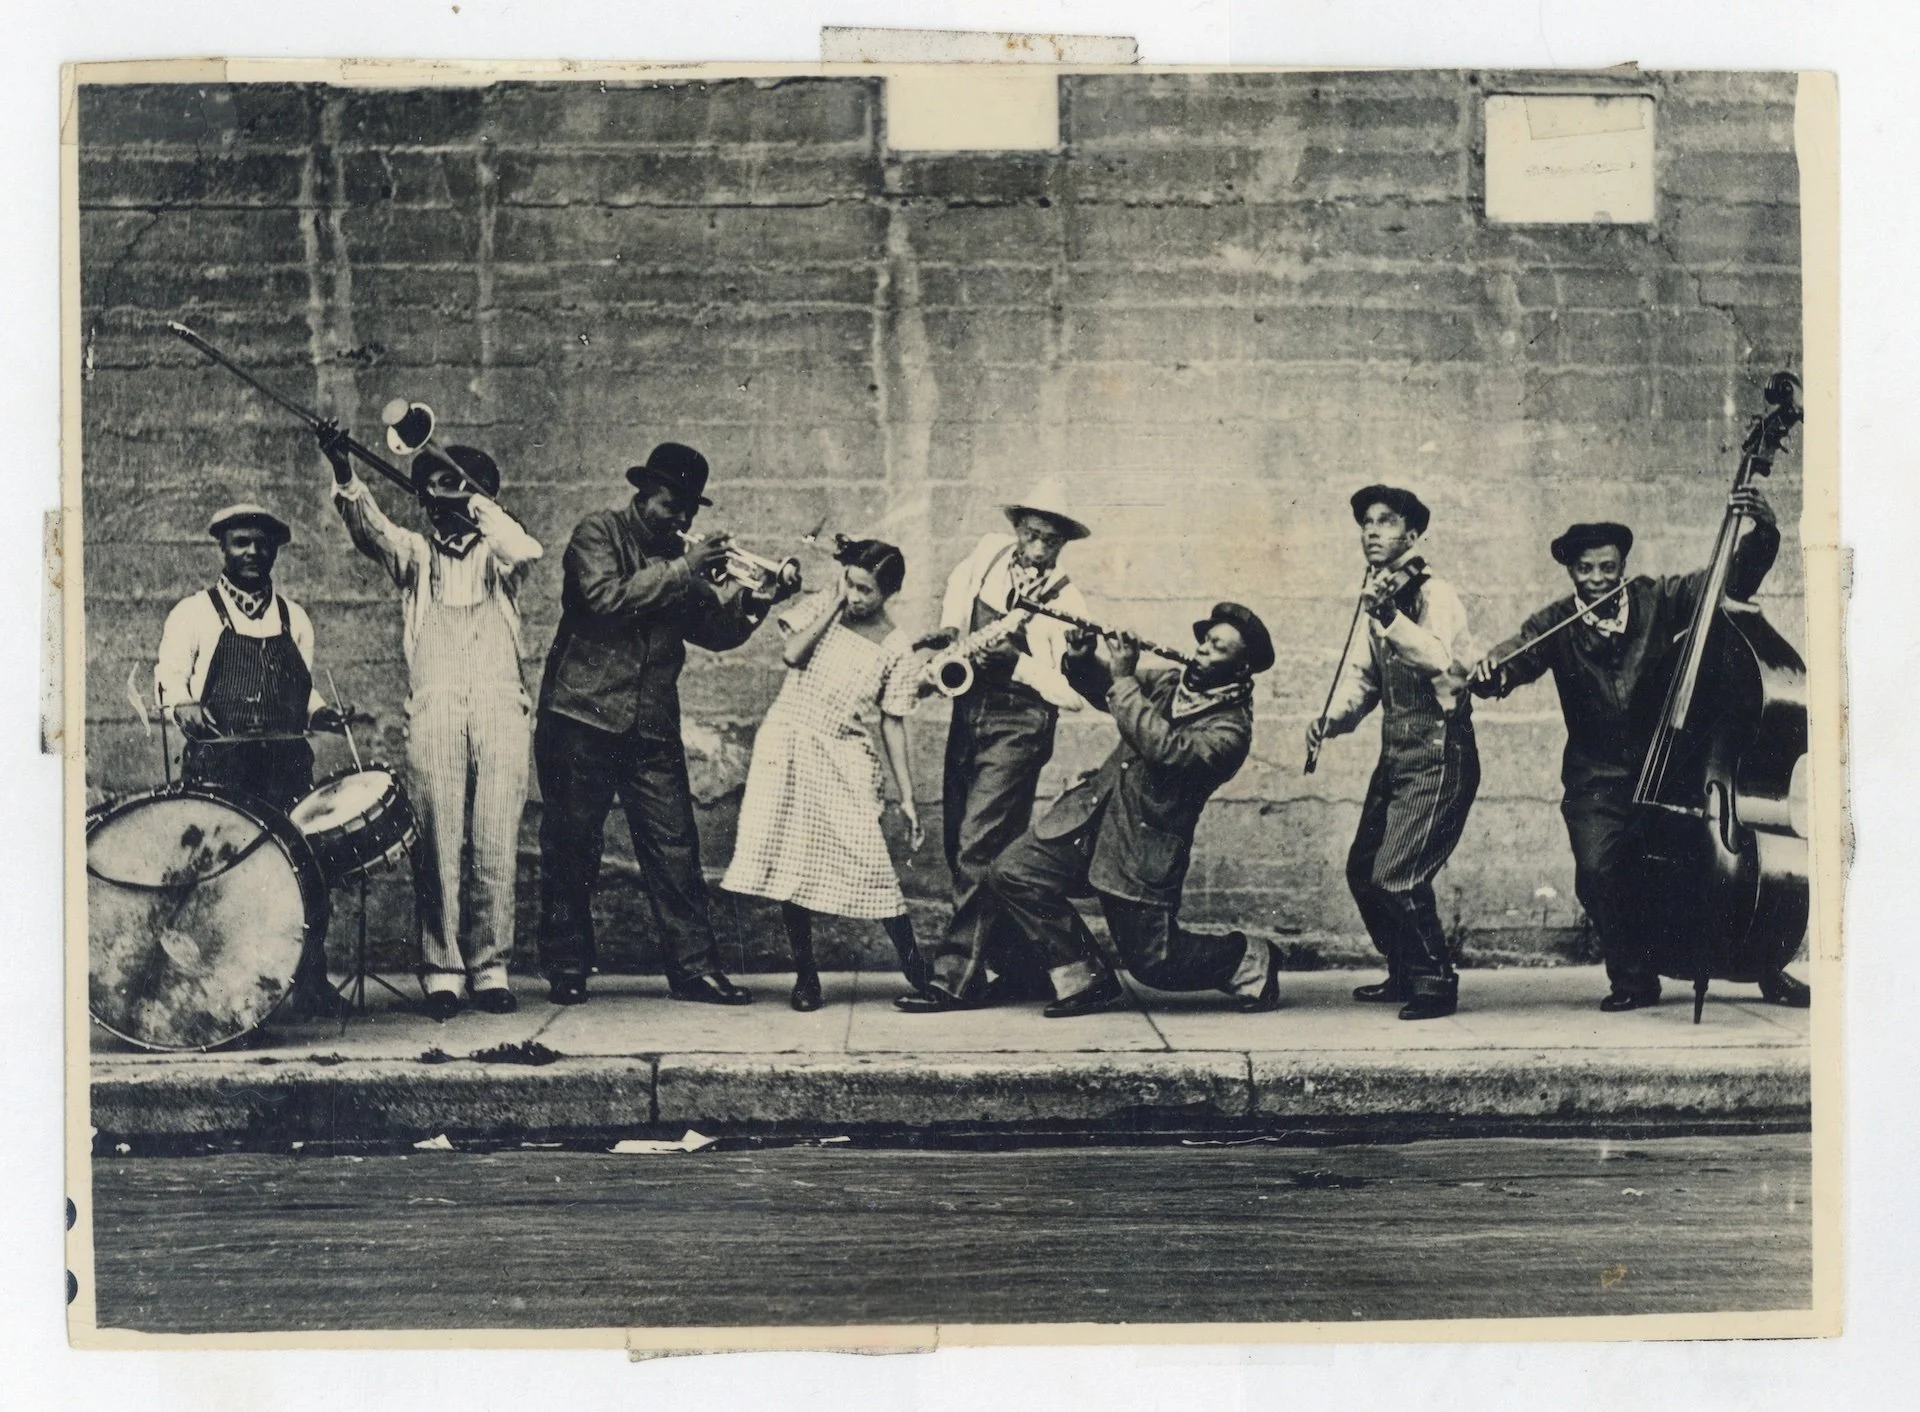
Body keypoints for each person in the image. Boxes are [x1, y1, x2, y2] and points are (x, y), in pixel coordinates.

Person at [1468, 488, 1810, 1012]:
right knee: (1598, 871)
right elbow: (1516, 658)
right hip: (1597, 779)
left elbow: (1723, 581)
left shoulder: (1658, 598)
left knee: (1721, 865)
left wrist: (1762, 537)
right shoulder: (1554, 624)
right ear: (1571, 572)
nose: (1599, 579)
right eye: (1587, 570)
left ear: (1623, 566)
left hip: (1673, 769)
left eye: (1608, 567)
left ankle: (1764, 961)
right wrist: (1492, 673)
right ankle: (1634, 976)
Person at [534, 443, 789, 1007]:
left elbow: (716, 632)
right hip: (582, 716)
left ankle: (694, 971)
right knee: (573, 845)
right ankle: (567, 966)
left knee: (676, 848)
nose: (683, 521)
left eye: (690, 512)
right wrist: (684, 569)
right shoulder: (597, 534)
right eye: (672, 506)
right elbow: (604, 599)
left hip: (649, 726)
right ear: (644, 493)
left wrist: (758, 599)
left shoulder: (680, 558)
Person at [320, 422, 544, 1021]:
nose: (448, 495)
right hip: (437, 705)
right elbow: (369, 530)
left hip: (500, 704)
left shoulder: (503, 560)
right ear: (422, 498)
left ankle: (491, 967)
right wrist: (345, 470)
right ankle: (443, 970)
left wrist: (472, 499)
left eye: (462, 484)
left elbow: (524, 549)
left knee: (496, 839)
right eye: (437, 485)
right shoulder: (415, 556)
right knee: (439, 839)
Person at [987, 603, 1284, 1017]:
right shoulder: (1169, 682)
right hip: (1091, 819)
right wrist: (1083, 657)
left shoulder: (1230, 731)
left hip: (1141, 847)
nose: (1201, 651)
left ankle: (1251, 959)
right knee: (1014, 873)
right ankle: (1086, 982)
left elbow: (1164, 749)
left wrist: (1124, 677)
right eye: (1204, 641)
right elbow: (1105, 689)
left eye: (1218, 649)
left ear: (1240, 669)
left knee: (1155, 965)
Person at [901, 480, 1092, 1013]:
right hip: (969, 713)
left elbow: (1071, 695)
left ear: (1062, 545)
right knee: (970, 847)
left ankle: (955, 978)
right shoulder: (987, 555)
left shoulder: (1066, 600)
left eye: (1049, 542)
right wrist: (950, 635)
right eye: (1030, 535)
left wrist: (1019, 664)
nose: (1036, 550)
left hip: (1021, 724)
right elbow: (959, 591)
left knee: (978, 847)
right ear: (1016, 529)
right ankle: (1026, 971)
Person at [154, 501, 349, 1018]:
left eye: (262, 544)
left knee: (301, 869)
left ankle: (308, 980)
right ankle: (223, 989)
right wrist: (181, 705)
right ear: (222, 547)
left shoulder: (295, 618)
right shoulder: (192, 613)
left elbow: (301, 691)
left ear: (276, 550)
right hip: (221, 768)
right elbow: (170, 679)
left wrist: (325, 714)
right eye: (241, 542)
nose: (252, 552)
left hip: (285, 766)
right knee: (222, 878)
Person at [720, 537, 927, 1011]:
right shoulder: (824, 608)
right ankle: (806, 975)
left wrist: (908, 796)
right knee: (792, 860)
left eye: (866, 591)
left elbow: (893, 721)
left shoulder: (896, 648)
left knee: (870, 856)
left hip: (842, 753)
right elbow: (793, 655)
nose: (855, 597)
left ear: (888, 593)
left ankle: (916, 966)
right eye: (850, 584)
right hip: (789, 740)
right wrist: (832, 604)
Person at [1305, 486, 1479, 1021]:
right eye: (1366, 523)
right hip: (1398, 753)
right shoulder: (1377, 594)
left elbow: (1444, 661)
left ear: (1413, 534)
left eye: (1386, 522)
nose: (1372, 531)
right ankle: (1403, 967)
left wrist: (1390, 618)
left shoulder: (1436, 594)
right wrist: (1331, 719)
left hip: (1440, 752)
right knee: (1364, 870)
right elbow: (1362, 676)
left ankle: (1435, 981)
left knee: (1398, 874)